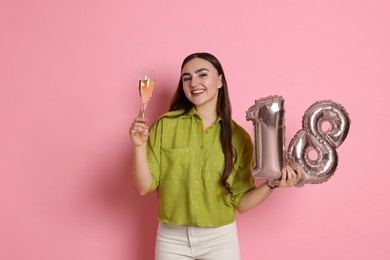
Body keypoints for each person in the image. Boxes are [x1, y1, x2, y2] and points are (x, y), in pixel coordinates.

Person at [130, 52, 302, 260]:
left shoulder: (239, 137)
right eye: (187, 78)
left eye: (202, 75)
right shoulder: (165, 125)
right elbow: (142, 187)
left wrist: (272, 184)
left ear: (220, 81)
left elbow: (242, 203)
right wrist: (139, 147)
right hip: (171, 239)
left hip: (220, 240)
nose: (194, 82)